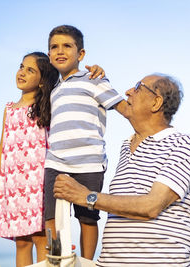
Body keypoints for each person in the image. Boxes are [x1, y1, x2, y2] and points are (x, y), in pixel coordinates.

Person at [54, 73, 190, 266]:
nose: (128, 92)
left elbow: (151, 206)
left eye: (138, 87)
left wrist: (87, 197)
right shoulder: (126, 146)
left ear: (156, 103)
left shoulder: (182, 144)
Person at [0, 51, 104, 267]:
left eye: (30, 70)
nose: (22, 72)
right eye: (21, 66)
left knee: (42, 238)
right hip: (14, 185)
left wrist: (95, 72)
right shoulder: (9, 110)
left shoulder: (48, 105)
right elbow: (2, 147)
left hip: (39, 182)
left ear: (42, 80)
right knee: (21, 242)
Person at [44, 25, 128, 260]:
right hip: (55, 161)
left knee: (88, 218)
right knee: (51, 216)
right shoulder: (53, 89)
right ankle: (56, 259)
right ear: (49, 55)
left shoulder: (94, 79)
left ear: (81, 54)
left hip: (88, 162)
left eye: (67, 46)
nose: (60, 51)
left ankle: (87, 261)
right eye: (54, 47)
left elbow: (123, 108)